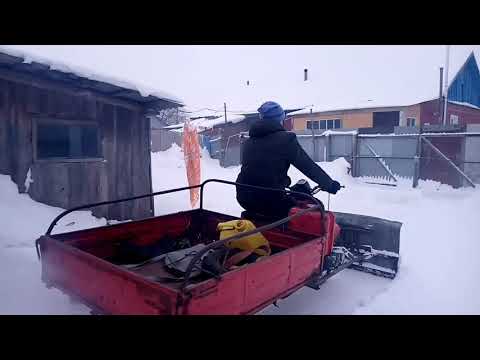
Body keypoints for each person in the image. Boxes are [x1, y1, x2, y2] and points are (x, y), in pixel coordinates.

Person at [236, 101, 341, 218]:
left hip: (244, 197)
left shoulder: (248, 142)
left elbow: (256, 169)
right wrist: (329, 184)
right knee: (315, 208)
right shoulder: (286, 140)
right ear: (280, 119)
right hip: (270, 201)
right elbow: (307, 166)